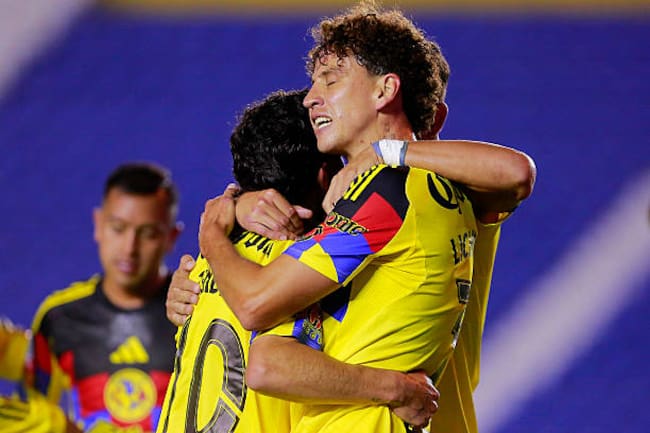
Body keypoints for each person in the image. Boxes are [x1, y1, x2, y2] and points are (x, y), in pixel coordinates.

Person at [194, 2, 531, 432]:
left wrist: (213, 236)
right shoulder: (363, 198)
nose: (310, 98)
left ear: (385, 90)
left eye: (331, 79)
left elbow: (256, 306)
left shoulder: (392, 190)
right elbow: (270, 361)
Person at [157, 89, 441, 433]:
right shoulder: (298, 265)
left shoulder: (209, 259)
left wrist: (234, 206)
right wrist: (396, 389)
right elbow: (270, 367)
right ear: (325, 174)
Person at [27, 162, 182, 432]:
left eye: (148, 234)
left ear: (171, 237)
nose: (130, 249)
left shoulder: (194, 311)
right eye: (118, 228)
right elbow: (37, 414)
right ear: (98, 224)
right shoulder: (58, 317)